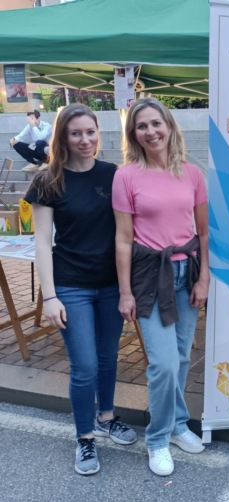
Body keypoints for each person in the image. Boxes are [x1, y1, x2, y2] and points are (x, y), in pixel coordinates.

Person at [26, 103, 137, 476]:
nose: (85, 140)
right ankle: (85, 436)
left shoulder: (113, 175)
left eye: (91, 132)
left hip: (110, 284)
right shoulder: (48, 180)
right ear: (63, 137)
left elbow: (127, 231)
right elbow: (43, 243)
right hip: (71, 285)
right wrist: (50, 296)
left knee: (107, 357)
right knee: (85, 365)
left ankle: (106, 416)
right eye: (76, 133)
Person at [113, 98, 209, 477]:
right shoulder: (126, 176)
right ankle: (157, 438)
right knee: (164, 364)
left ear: (169, 126)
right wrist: (125, 292)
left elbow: (203, 232)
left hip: (187, 271)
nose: (151, 131)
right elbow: (123, 239)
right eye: (142, 126)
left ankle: (178, 424)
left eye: (156, 123)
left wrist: (204, 278)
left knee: (182, 357)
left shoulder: (192, 174)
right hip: (150, 276)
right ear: (133, 134)